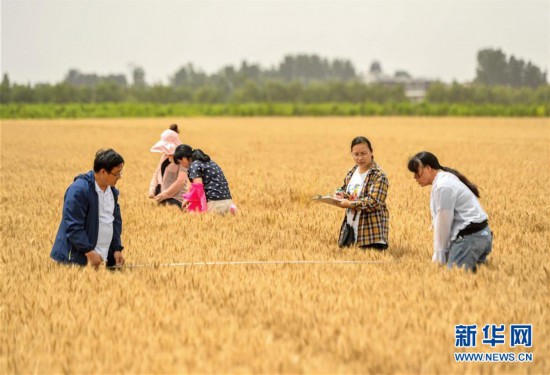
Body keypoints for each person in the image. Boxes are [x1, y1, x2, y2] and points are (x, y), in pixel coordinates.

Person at [407, 151, 492, 271]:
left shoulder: (443, 186)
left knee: (455, 281)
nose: (415, 177)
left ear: (428, 168)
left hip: (469, 239)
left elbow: (443, 223)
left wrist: (439, 254)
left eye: (417, 172)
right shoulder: (446, 178)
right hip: (482, 235)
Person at [50, 149, 125, 269]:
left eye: (121, 173)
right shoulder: (79, 190)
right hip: (74, 262)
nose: (119, 177)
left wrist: (116, 249)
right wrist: (89, 252)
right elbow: (73, 226)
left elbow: (115, 222)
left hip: (100, 262)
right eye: (116, 173)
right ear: (103, 172)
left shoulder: (112, 192)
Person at [335, 136, 390, 250]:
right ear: (352, 154)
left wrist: (349, 204)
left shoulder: (378, 175)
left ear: (371, 152)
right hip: (350, 232)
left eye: (363, 153)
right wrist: (339, 194)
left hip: (370, 235)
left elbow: (374, 202)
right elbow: (345, 190)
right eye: (356, 154)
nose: (360, 157)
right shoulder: (352, 172)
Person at [173, 144, 235, 214]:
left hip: (215, 203)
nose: (182, 165)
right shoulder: (209, 162)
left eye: (180, 162)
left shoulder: (194, 165)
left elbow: (198, 187)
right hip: (228, 201)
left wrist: (187, 200)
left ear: (184, 158)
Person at [148, 124, 189, 208]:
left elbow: (180, 181)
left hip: (176, 199)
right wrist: (152, 188)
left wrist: (165, 194)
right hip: (161, 196)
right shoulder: (164, 156)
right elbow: (157, 172)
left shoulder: (182, 159)